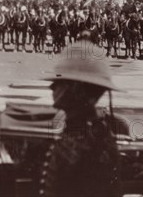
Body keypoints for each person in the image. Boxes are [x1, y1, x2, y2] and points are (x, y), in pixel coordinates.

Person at [39, 41, 122, 197]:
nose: (52, 87)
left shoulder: (90, 143)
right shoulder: (81, 131)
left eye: (60, 81)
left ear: (78, 90)